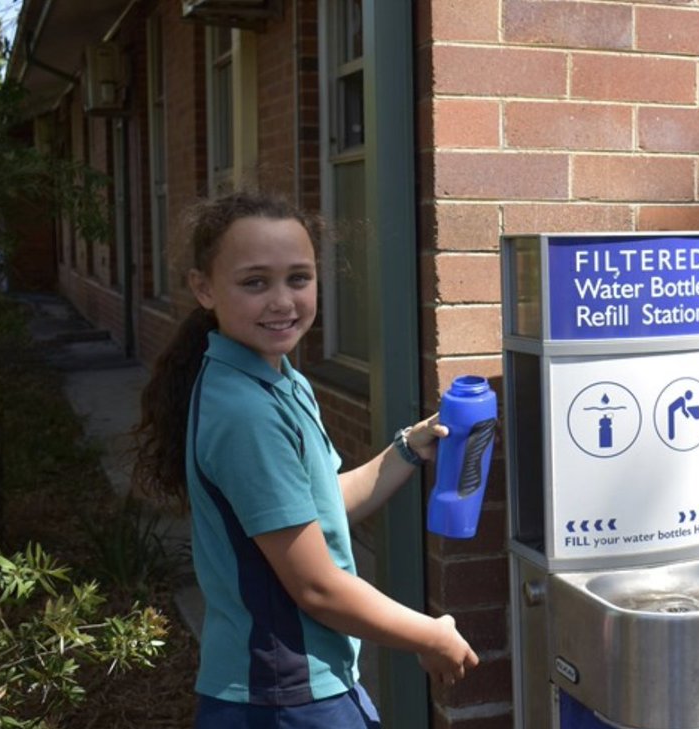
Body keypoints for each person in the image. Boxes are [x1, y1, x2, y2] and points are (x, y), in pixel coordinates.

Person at [132, 191, 478, 728]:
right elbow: (316, 586)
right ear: (204, 288)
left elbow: (312, 509)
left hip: (300, 685)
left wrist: (407, 450)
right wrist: (429, 634)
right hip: (281, 695)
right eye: (254, 282)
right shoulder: (247, 412)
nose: (282, 301)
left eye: (298, 278)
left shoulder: (274, 376)